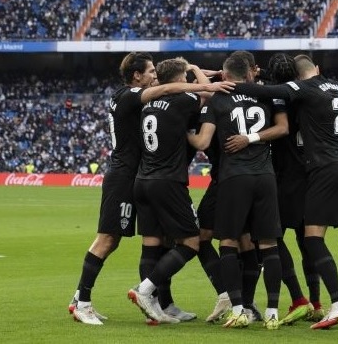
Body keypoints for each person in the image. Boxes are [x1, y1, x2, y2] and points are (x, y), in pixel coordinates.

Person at [69, 52, 233, 325]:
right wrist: (207, 85)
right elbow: (170, 86)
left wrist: (199, 70)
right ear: (137, 76)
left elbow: (171, 82)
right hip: (124, 177)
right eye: (151, 73)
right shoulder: (129, 95)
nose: (155, 78)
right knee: (108, 239)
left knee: (157, 241)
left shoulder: (136, 99)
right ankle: (82, 301)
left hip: (140, 177)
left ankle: (162, 304)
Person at [230, 54, 338, 329]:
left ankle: (320, 301)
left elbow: (267, 91)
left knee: (280, 236)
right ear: (316, 69)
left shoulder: (293, 94)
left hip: (305, 174)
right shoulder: (332, 89)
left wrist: (228, 83)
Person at [224, 53, 323, 325]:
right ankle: (316, 302)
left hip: (282, 177)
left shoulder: (272, 98)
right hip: (310, 175)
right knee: (308, 242)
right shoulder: (307, 96)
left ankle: (297, 297)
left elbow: (255, 86)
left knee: (272, 239)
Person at [188, 55, 284, 330]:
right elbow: (282, 128)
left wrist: (185, 133)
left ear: (225, 75)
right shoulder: (266, 96)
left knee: (228, 243)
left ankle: (239, 309)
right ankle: (272, 312)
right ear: (249, 73)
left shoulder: (219, 99)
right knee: (268, 245)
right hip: (265, 176)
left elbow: (203, 140)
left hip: (233, 178)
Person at [128, 57, 214, 324]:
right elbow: (208, 93)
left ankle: (158, 309)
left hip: (142, 181)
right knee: (190, 242)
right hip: (168, 182)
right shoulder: (182, 100)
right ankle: (144, 290)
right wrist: (196, 69)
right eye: (185, 78)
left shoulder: (147, 104)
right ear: (179, 80)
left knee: (152, 244)